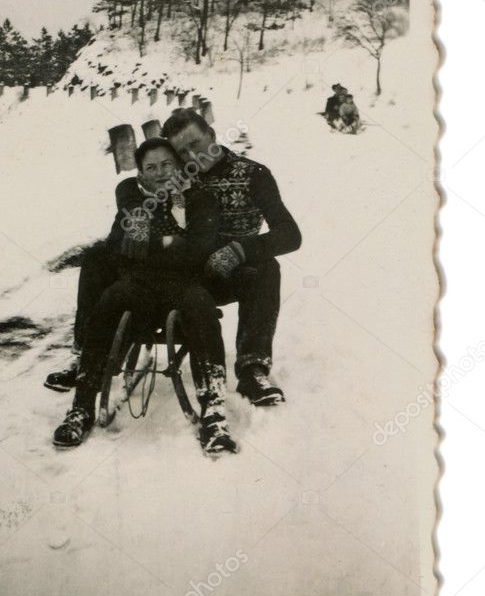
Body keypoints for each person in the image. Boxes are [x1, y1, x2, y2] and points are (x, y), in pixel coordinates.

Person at [52, 138, 238, 456]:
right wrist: (169, 242)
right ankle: (81, 408)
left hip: (186, 284)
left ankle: (214, 415)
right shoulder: (137, 204)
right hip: (141, 283)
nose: (161, 173)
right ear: (141, 174)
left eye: (167, 164)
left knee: (201, 307)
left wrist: (151, 243)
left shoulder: (200, 199)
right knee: (109, 301)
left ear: (179, 165)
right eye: (151, 168)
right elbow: (116, 247)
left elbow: (201, 249)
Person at [161, 109, 302, 406]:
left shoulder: (253, 174)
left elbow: (290, 234)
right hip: (188, 277)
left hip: (234, 274)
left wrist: (241, 250)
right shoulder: (175, 179)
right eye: (182, 151)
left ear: (212, 136)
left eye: (196, 143)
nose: (192, 155)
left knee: (267, 268)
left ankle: (252, 369)